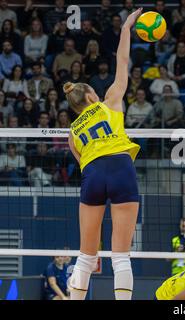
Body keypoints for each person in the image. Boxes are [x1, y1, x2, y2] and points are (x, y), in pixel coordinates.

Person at [66, 8, 143, 301]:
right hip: (121, 169)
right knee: (121, 255)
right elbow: (122, 61)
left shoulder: (72, 131)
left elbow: (83, 163)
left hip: (94, 174)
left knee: (86, 255)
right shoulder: (110, 102)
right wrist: (126, 29)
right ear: (89, 97)